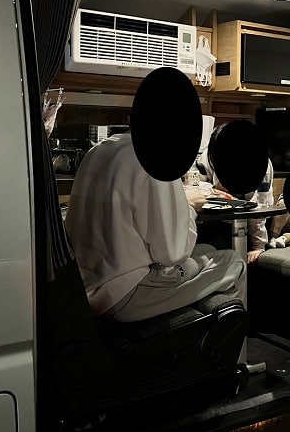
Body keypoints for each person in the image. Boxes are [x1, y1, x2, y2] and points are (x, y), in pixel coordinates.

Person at [64, 131, 247, 322]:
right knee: (235, 261)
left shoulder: (100, 149)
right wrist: (189, 208)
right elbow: (173, 253)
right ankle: (225, 338)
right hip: (125, 293)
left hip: (85, 286)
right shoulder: (158, 159)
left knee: (208, 249)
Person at [196, 124, 274, 264]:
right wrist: (214, 189)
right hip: (216, 219)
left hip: (253, 223)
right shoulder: (206, 158)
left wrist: (259, 246)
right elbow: (196, 187)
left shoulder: (260, 164)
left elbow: (260, 206)